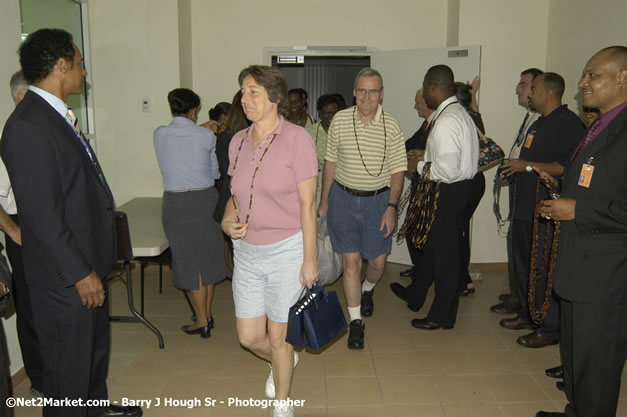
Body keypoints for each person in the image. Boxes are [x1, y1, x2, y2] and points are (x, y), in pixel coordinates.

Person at [0, 28, 141, 417]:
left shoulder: (55, 116)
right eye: (80, 64)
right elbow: (42, 216)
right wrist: (81, 273)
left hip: (85, 263)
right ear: (61, 66)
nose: (84, 72)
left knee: (91, 362)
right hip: (66, 278)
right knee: (67, 377)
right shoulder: (28, 126)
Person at [534, 45, 627, 417]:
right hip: (580, 269)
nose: (582, 83)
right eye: (585, 75)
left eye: (594, 75)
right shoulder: (602, 124)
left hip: (605, 275)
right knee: (577, 359)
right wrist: (563, 196)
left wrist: (579, 209)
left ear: (623, 78)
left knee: (598, 365)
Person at [222, 65, 318, 417]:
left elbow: (308, 205)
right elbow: (235, 195)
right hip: (246, 253)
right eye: (243, 92)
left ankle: (283, 404)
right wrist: (225, 221)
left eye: (253, 92)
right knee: (249, 337)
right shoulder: (237, 141)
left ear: (275, 98)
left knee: (278, 335)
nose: (245, 99)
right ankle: (285, 361)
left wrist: (310, 260)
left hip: (286, 251)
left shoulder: (298, 140)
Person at [318, 68, 406, 349]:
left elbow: (398, 171)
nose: (367, 96)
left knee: (377, 263)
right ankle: (356, 322)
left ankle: (368, 289)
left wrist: (391, 206)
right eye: (362, 90)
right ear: (354, 92)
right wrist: (324, 200)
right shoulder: (341, 121)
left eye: (373, 91)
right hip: (343, 200)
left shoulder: (391, 125)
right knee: (351, 263)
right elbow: (330, 162)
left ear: (381, 94)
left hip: (378, 202)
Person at [499, 72, 584, 348]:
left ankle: (548, 328)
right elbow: (528, 161)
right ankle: (527, 314)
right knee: (523, 266)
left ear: (549, 92)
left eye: (533, 88)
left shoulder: (569, 124)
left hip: (547, 209)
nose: (528, 92)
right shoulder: (538, 124)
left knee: (542, 269)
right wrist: (515, 169)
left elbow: (567, 166)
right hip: (525, 208)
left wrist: (526, 166)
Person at [390, 65, 478, 330]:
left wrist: (418, 165)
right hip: (457, 190)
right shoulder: (459, 113)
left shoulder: (448, 120)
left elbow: (448, 170)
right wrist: (426, 159)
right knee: (436, 252)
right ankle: (421, 298)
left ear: (432, 87)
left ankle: (441, 316)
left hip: (447, 191)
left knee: (446, 260)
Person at [153, 88, 224, 338]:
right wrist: (204, 130)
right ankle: (207, 315)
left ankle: (201, 320)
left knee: (189, 261)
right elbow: (215, 173)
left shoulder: (159, 134)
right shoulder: (206, 137)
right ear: (194, 110)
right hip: (206, 200)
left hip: (176, 203)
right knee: (209, 260)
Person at [0, 70, 44, 398]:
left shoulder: (37, 131)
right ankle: (40, 380)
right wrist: (13, 229)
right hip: (22, 228)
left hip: (42, 224)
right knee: (30, 305)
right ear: (21, 98)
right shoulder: (12, 136)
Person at [490, 68, 544, 315]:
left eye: (523, 85)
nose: (518, 89)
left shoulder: (544, 121)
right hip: (518, 190)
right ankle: (517, 295)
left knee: (525, 252)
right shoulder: (530, 117)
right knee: (515, 248)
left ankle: (524, 302)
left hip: (531, 196)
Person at [398, 88, 435, 280]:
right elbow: (407, 145)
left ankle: (424, 273)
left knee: (421, 232)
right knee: (412, 229)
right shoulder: (425, 125)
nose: (415, 106)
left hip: (428, 189)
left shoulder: (438, 125)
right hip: (418, 185)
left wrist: (421, 153)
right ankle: (420, 269)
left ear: (428, 104)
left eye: (417, 103)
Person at [454, 78, 485, 297]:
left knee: (458, 232)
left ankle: (463, 281)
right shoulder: (473, 117)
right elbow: (476, 110)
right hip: (476, 181)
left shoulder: (458, 121)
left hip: (465, 182)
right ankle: (463, 279)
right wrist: (473, 93)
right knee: (461, 230)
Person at [214, 90, 251, 278]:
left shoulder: (226, 137)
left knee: (238, 249)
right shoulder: (248, 138)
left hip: (229, 197)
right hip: (243, 201)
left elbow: (222, 171)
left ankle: (236, 275)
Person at [305, 94, 341, 194]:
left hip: (340, 190)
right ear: (319, 113)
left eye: (334, 113)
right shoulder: (308, 133)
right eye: (327, 113)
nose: (331, 117)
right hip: (316, 190)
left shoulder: (346, 132)